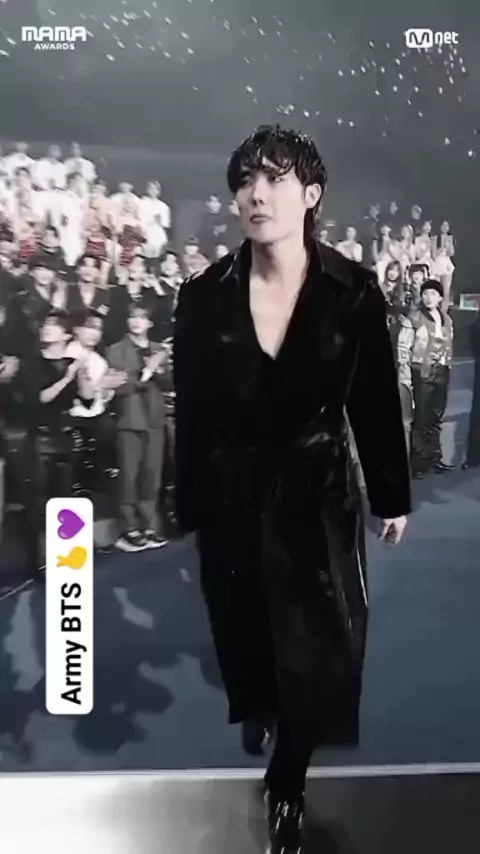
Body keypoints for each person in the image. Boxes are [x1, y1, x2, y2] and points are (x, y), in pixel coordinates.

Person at [173, 125, 410, 854]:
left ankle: (288, 782)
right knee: (245, 634)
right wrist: (192, 503)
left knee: (323, 646)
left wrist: (391, 494)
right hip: (235, 496)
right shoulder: (202, 297)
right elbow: (195, 410)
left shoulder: (354, 291)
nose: (256, 193)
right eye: (245, 179)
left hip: (318, 495)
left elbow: (374, 399)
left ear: (310, 194)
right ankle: (262, 704)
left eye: (274, 178)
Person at [107, 305, 169, 552]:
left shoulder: (159, 350)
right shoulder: (115, 350)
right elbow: (119, 386)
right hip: (129, 421)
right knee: (129, 477)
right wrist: (146, 372)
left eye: (142, 318)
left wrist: (158, 370)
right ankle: (129, 528)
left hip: (155, 421)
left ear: (150, 323)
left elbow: (170, 382)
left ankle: (150, 526)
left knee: (152, 476)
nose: (136, 321)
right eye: (132, 317)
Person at [410, 280, 454, 479]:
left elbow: (449, 342)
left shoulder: (446, 319)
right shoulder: (415, 317)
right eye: (425, 293)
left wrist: (447, 365)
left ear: (440, 298)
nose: (429, 298)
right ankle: (418, 463)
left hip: (442, 370)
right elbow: (405, 346)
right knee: (421, 417)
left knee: (436, 416)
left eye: (433, 294)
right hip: (422, 370)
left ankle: (435, 458)